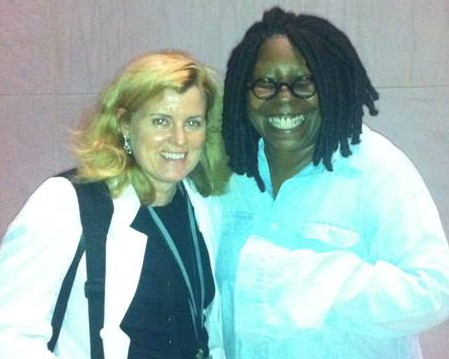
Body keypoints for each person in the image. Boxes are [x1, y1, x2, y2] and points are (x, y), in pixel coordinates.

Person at [214, 7, 449, 359]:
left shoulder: (376, 169)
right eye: (265, 83)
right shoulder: (229, 174)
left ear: (330, 86)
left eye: (303, 83)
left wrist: (304, 281)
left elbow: (433, 291)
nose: (284, 99)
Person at [0, 51, 229, 359]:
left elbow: (207, 327)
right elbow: (9, 334)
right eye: (161, 121)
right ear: (125, 125)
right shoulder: (68, 204)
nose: (179, 139)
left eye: (192, 122)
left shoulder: (204, 206)